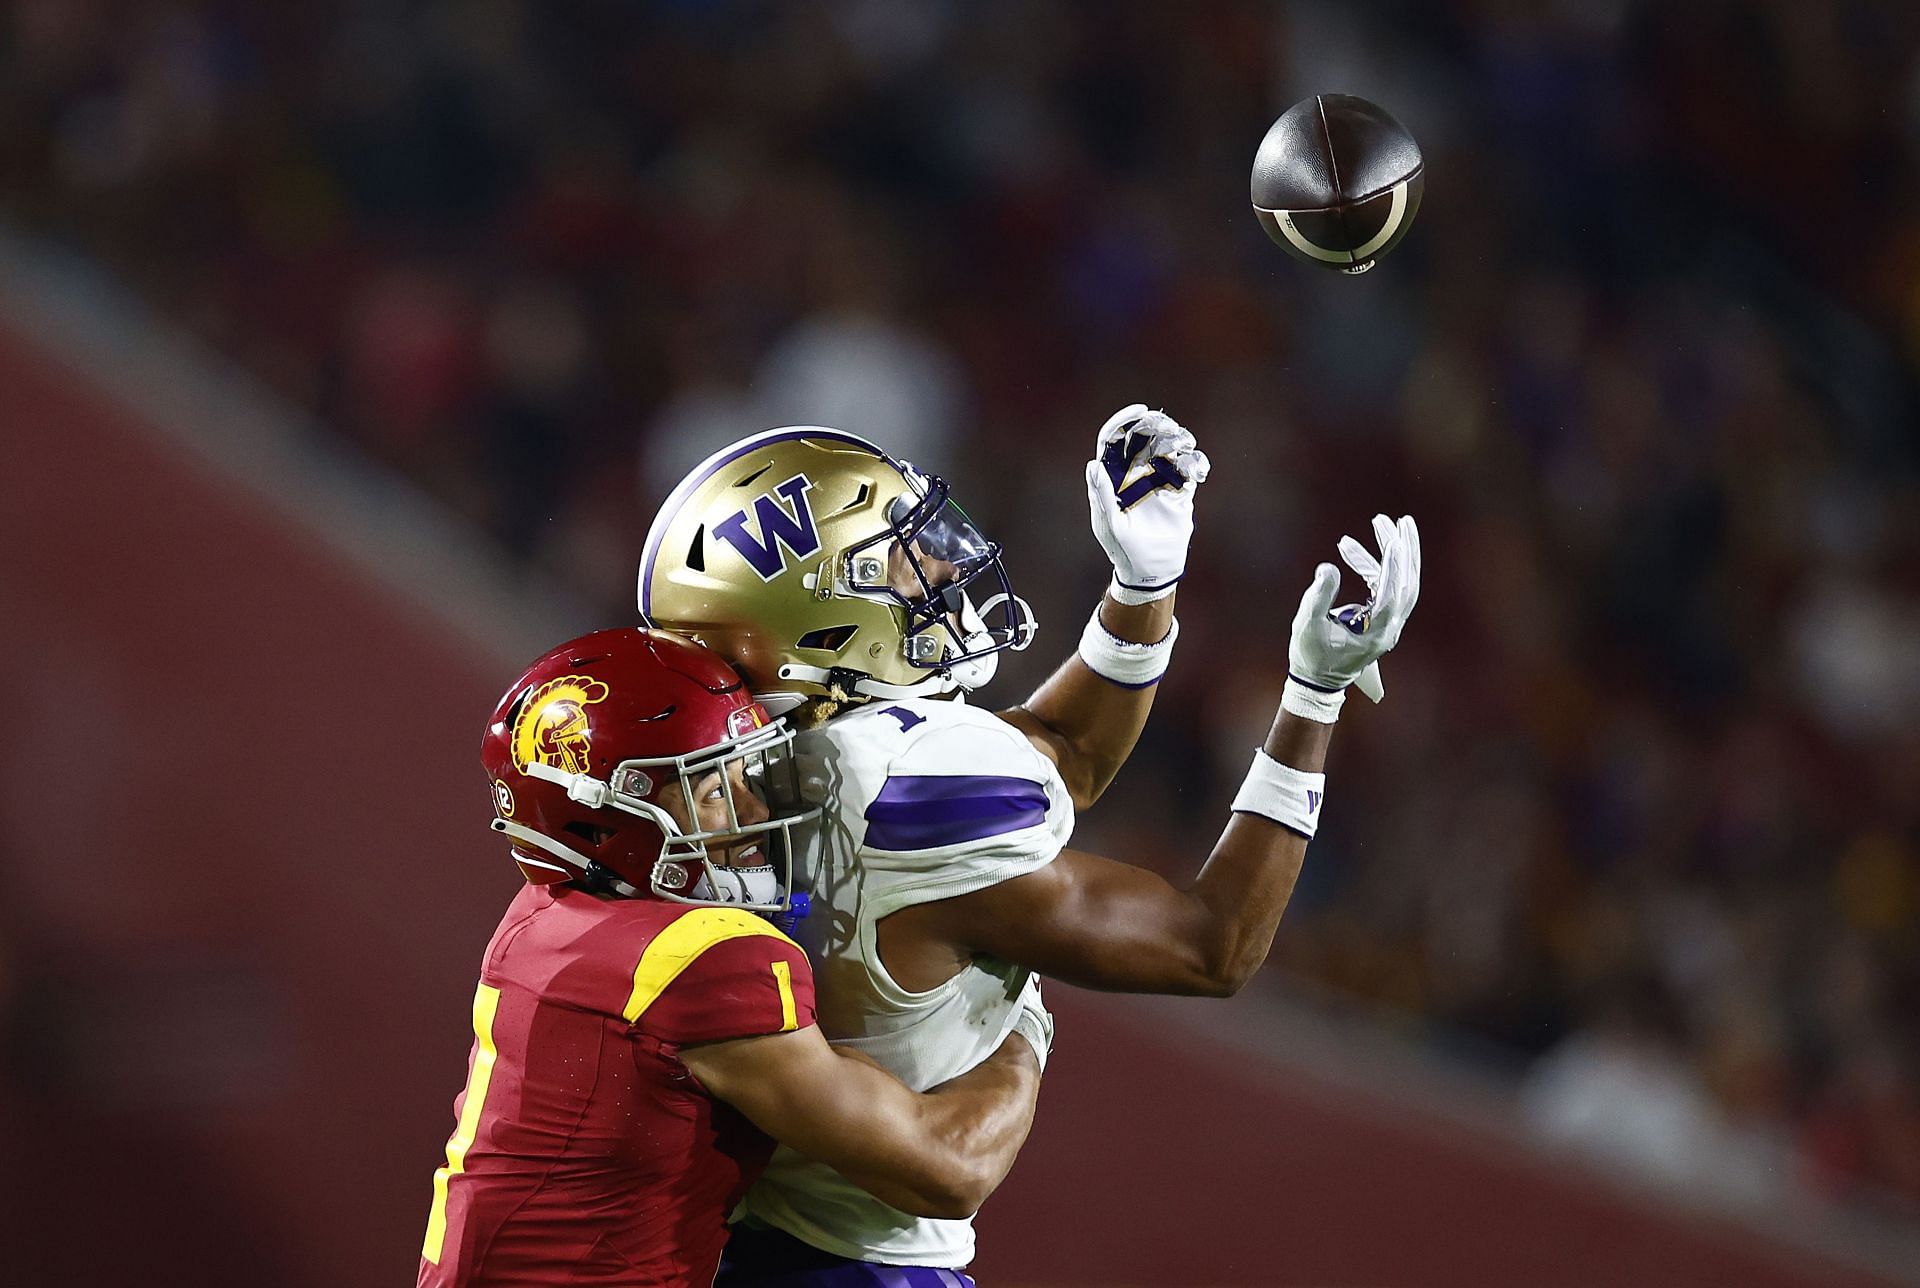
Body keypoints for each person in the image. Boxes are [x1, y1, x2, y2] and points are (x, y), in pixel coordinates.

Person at [638, 407, 1421, 1282]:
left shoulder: (720, 768)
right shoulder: (908, 792)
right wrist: (1315, 696)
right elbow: (1214, 946)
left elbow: (1058, 748)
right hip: (867, 1265)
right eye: (897, 559)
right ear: (815, 616)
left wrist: (1142, 589)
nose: (935, 567)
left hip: (726, 1246)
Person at [417, 628, 1050, 1288]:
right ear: (608, 823)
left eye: (746, 773)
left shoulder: (540, 914)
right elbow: (948, 1170)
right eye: (714, 791)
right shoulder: (701, 959)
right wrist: (1019, 1023)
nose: (755, 809)